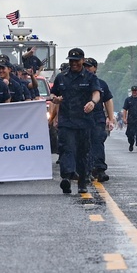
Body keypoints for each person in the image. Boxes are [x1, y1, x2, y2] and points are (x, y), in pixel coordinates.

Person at [50, 48, 101, 193]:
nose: (74, 64)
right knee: (67, 148)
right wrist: (56, 99)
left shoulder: (90, 77)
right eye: (71, 61)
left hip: (84, 120)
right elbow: (53, 95)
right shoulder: (62, 77)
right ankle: (66, 176)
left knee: (82, 152)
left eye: (77, 61)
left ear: (82, 60)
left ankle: (82, 182)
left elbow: (97, 92)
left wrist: (93, 102)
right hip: (66, 120)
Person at [83, 57, 114, 182]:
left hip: (97, 117)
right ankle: (87, 170)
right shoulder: (79, 81)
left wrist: (111, 119)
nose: (87, 69)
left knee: (98, 142)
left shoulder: (101, 84)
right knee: (85, 144)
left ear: (95, 68)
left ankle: (100, 169)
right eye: (85, 66)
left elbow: (108, 100)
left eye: (89, 66)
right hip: (83, 117)